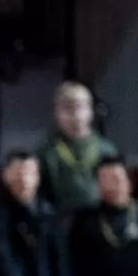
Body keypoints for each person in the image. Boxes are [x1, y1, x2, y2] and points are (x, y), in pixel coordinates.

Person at [35, 81, 117, 216]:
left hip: (99, 220)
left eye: (80, 107)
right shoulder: (45, 152)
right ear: (57, 112)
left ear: (90, 110)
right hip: (59, 220)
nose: (75, 114)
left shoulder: (106, 150)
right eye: (67, 108)